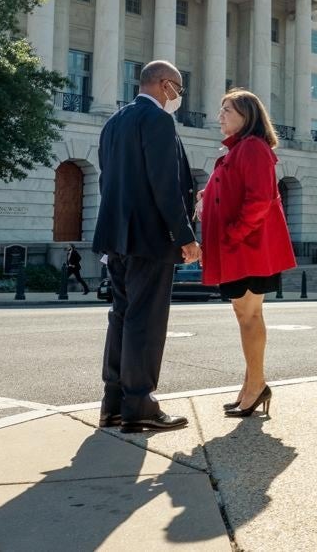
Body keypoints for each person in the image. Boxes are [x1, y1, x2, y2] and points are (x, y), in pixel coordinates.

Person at [92, 59, 200, 434]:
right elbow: (165, 185)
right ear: (165, 85)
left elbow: (108, 181)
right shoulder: (158, 120)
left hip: (117, 237)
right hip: (150, 238)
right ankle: (140, 404)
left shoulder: (113, 122)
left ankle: (114, 404)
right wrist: (185, 237)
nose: (178, 98)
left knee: (121, 316)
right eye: (179, 90)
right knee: (146, 320)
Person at [200, 90, 298, 417]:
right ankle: (251, 385)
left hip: (248, 249)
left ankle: (256, 386)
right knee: (246, 316)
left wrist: (232, 235)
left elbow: (260, 200)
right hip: (239, 249)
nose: (220, 116)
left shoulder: (252, 148)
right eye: (221, 109)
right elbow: (233, 192)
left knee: (249, 316)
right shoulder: (239, 149)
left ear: (247, 115)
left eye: (227, 110)